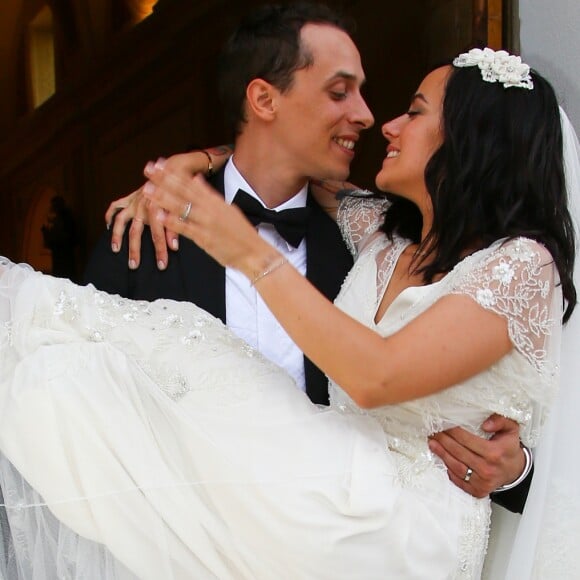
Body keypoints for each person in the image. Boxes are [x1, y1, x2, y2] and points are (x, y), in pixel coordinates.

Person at [0, 47, 576, 579]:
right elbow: (278, 158)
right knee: (108, 363)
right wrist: (191, 164)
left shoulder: (522, 264)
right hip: (333, 487)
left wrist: (246, 250)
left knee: (197, 368)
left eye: (415, 112)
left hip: (403, 531)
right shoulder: (384, 235)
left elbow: (379, 376)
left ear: (474, 139)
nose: (388, 125)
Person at [86, 3, 530, 507]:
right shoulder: (147, 230)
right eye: (339, 92)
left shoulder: (377, 244)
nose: (366, 115)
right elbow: (87, 416)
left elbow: (484, 399)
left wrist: (516, 470)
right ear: (263, 99)